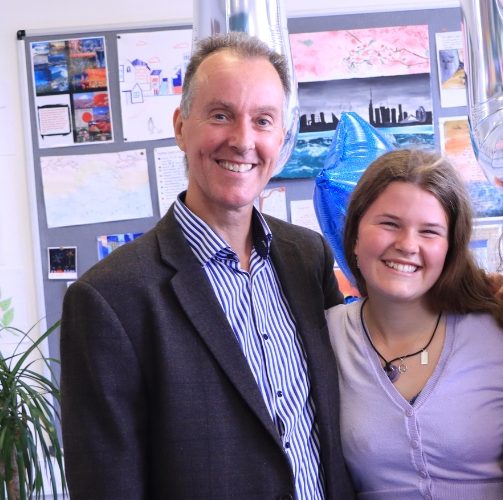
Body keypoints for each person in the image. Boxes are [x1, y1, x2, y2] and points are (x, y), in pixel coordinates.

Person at [60, 33, 354, 500]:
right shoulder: (109, 299)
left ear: (281, 137)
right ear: (181, 127)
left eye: (263, 120)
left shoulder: (309, 257)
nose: (242, 141)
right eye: (221, 115)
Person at [325, 149, 503, 499]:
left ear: (450, 249)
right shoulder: (323, 338)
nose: (407, 245)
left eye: (429, 232)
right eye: (389, 223)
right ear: (354, 235)